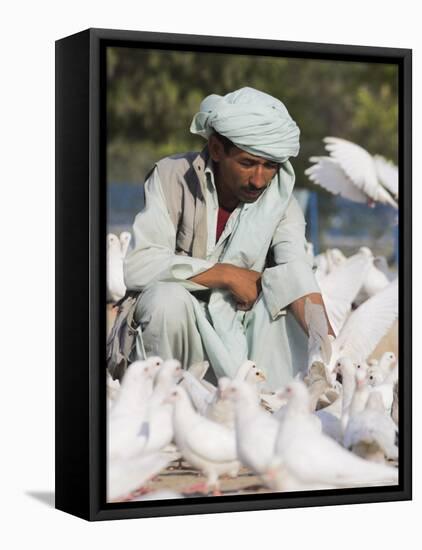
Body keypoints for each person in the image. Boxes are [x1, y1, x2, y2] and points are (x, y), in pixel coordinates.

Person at [123, 87, 334, 389]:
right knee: (166, 299)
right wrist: (226, 275)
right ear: (217, 149)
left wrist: (328, 349)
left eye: (271, 165)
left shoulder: (280, 202)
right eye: (248, 163)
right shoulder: (171, 177)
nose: (260, 179)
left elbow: (296, 275)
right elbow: (138, 266)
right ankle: (163, 402)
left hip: (242, 336)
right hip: (182, 333)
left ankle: (266, 405)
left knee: (286, 304)